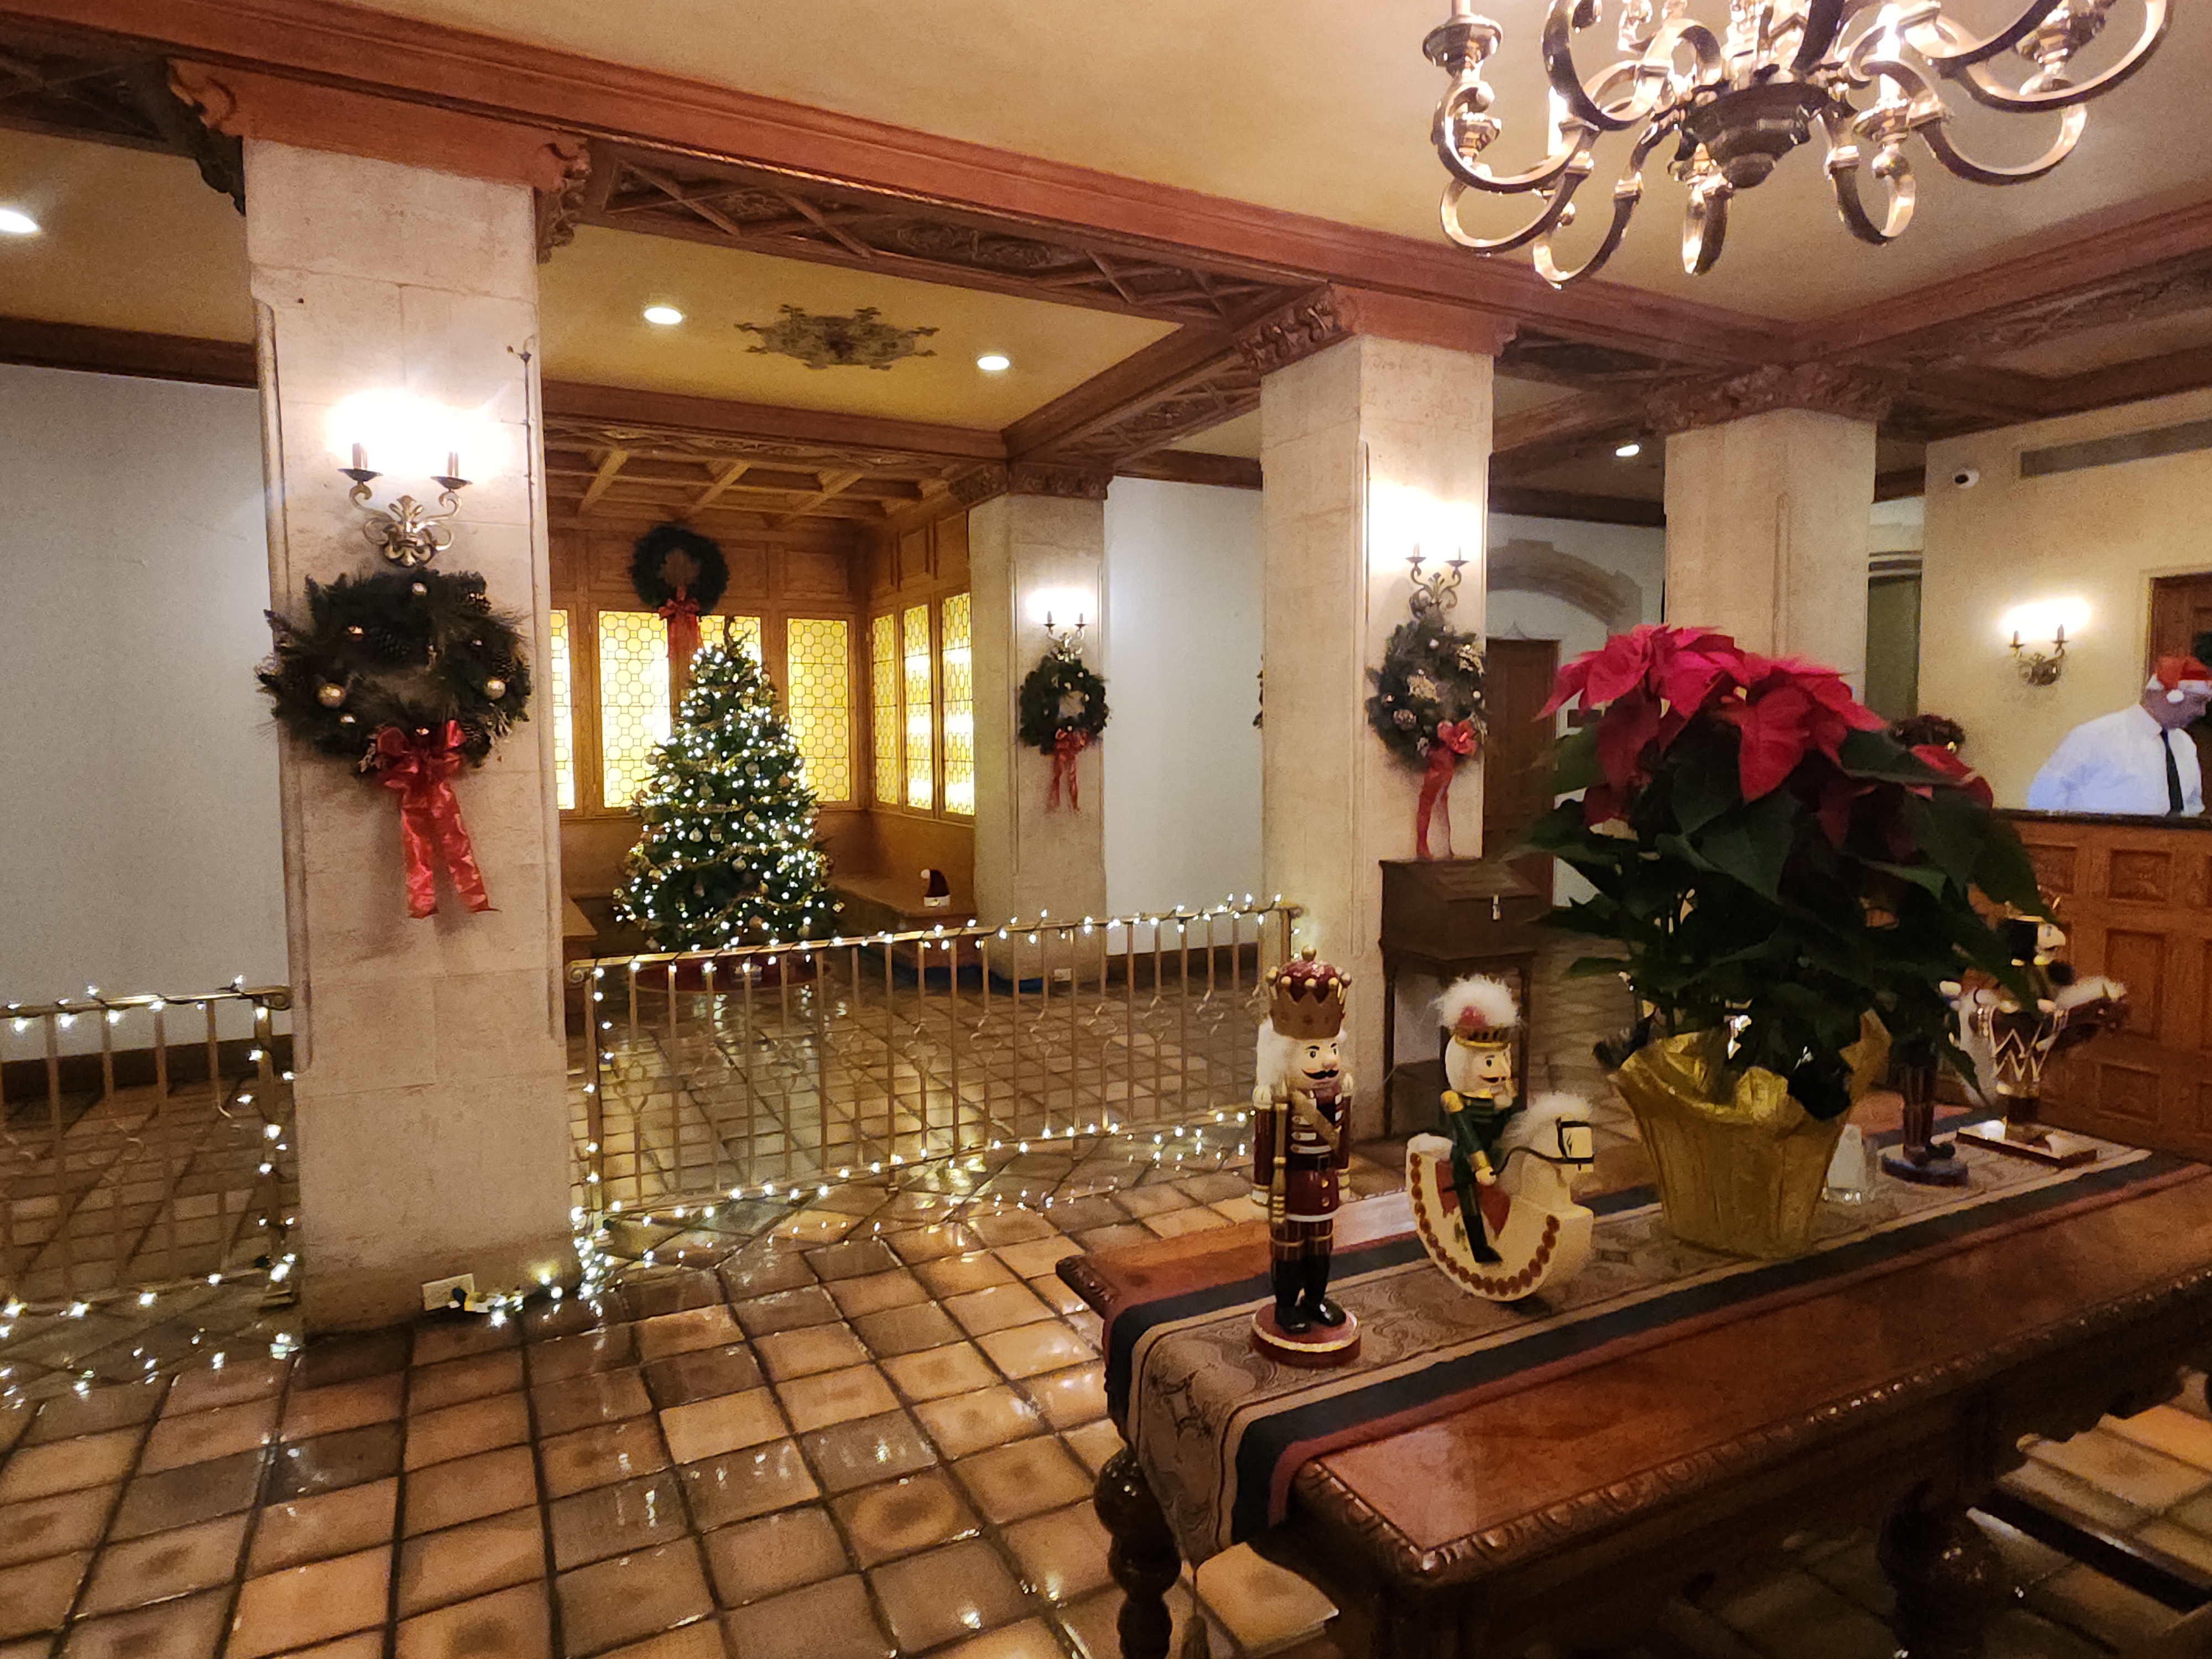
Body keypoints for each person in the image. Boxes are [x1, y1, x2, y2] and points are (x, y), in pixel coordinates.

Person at [2026, 656, 2211, 815]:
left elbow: (2192, 806)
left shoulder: (2185, 744)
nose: (2202, 712)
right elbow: (2044, 796)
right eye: (2197, 702)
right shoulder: (2095, 736)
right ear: (2170, 696)